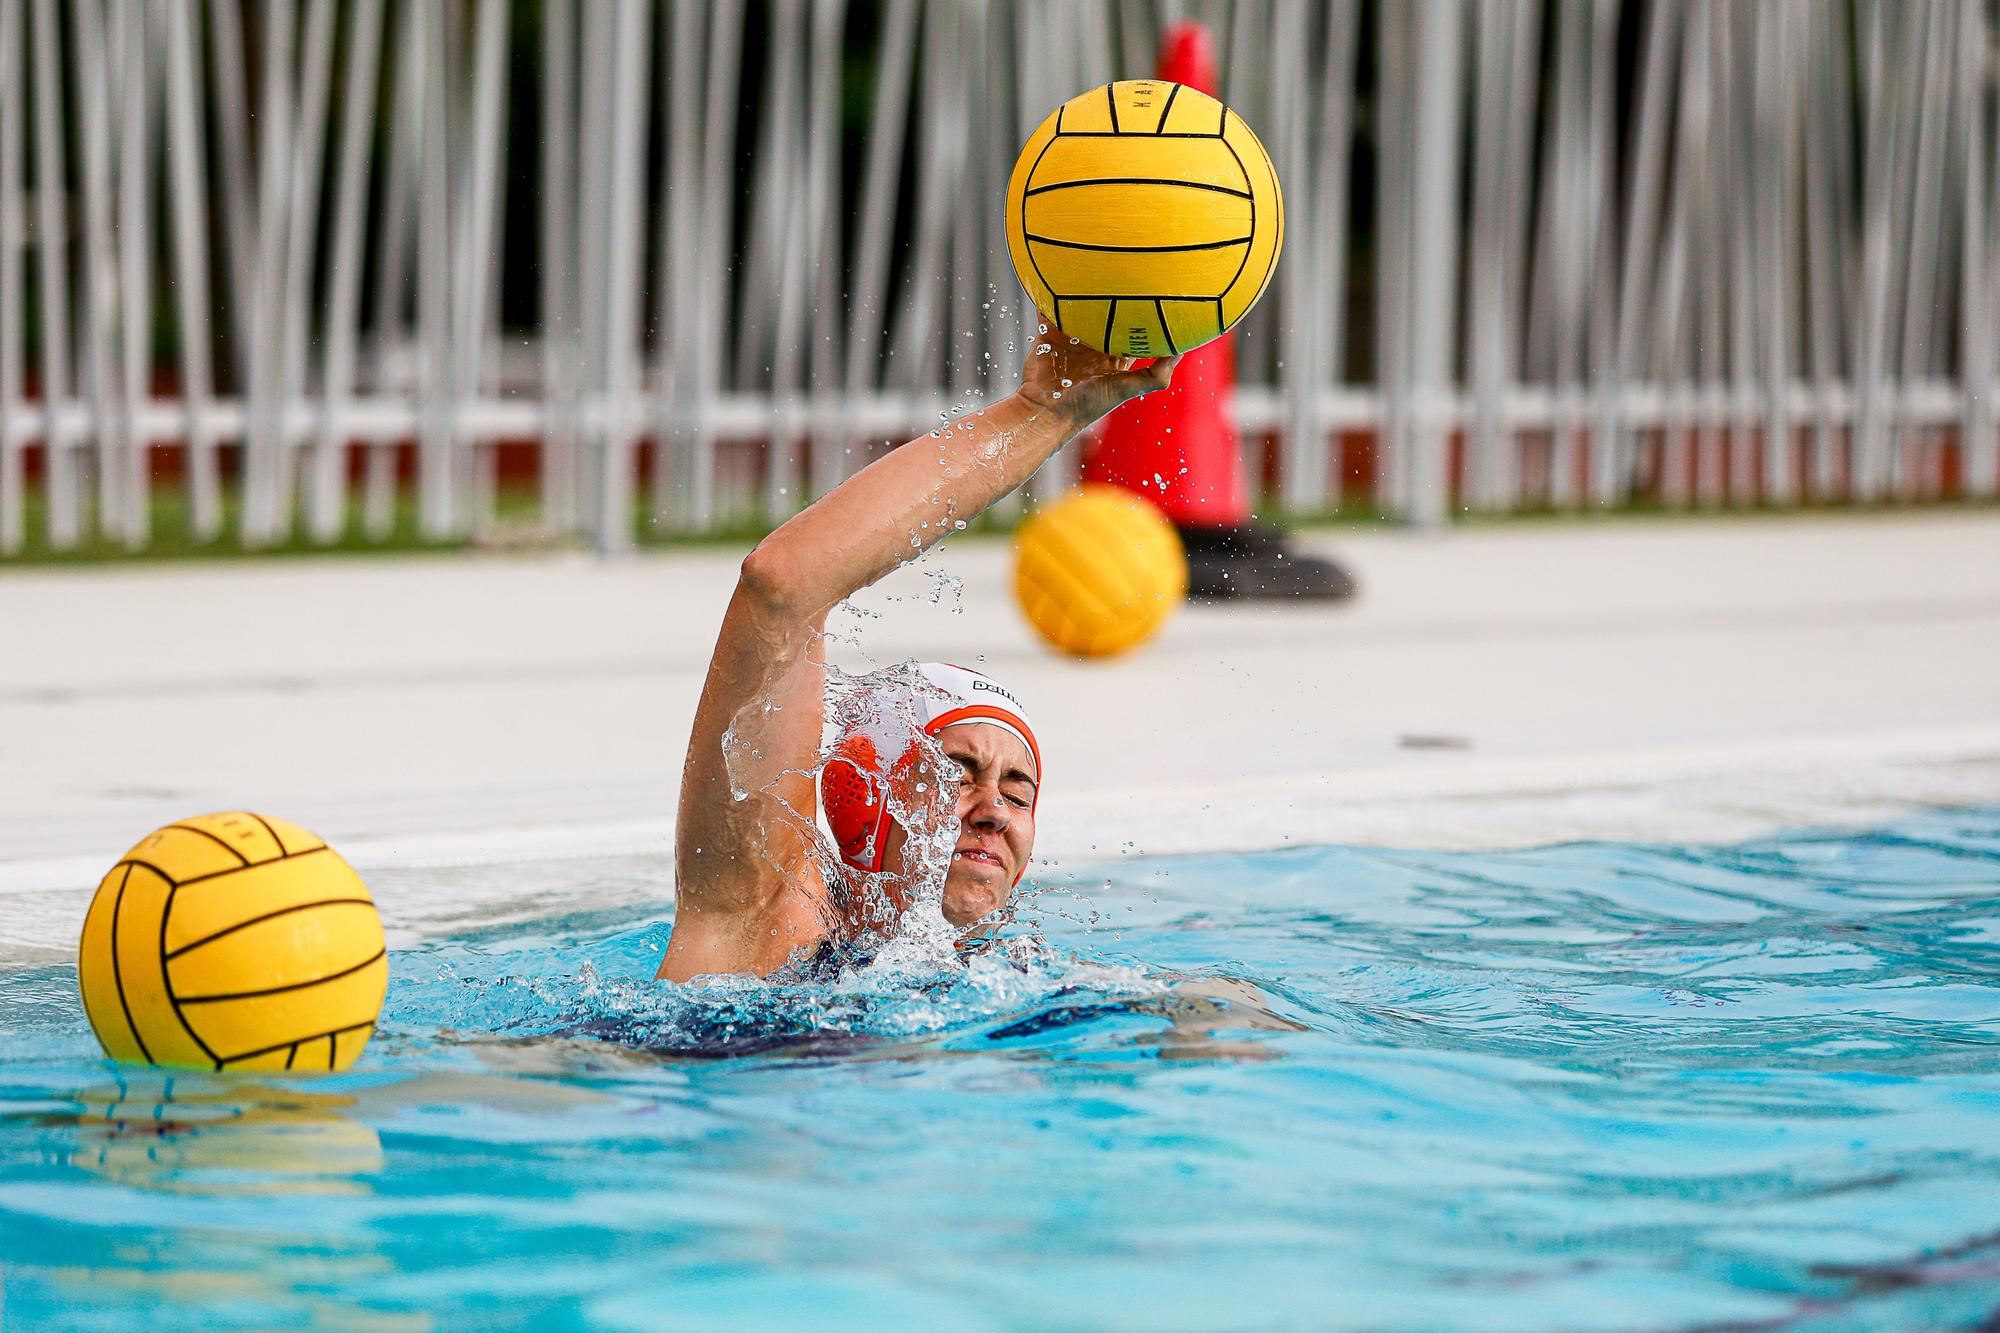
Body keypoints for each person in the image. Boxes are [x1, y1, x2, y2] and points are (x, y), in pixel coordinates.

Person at [657, 324, 1180, 982]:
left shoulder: (1023, 984)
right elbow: (784, 585)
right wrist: (1040, 415)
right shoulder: (761, 924)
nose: (993, 811)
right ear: (865, 797)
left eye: (1019, 795)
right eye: (959, 774)